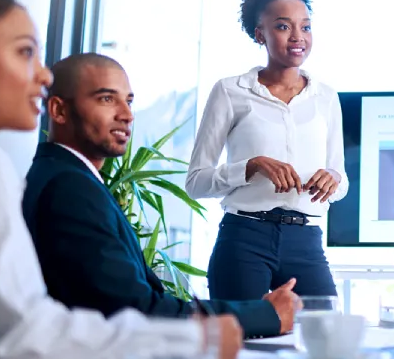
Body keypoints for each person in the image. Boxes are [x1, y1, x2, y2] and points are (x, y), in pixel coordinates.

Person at [0, 0, 242, 359]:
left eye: (129, 100)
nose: (44, 75)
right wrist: (198, 339)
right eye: (25, 52)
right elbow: (20, 331)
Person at [21, 52, 299, 339]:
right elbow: (134, 312)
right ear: (58, 111)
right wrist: (263, 315)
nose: (126, 115)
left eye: (128, 101)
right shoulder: (68, 187)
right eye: (106, 99)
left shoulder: (64, 176)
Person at [186, 0, 347, 300]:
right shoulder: (230, 92)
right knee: (240, 343)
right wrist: (252, 166)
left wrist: (333, 179)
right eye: (283, 26)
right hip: (244, 238)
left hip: (306, 241)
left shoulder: (326, 98)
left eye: (306, 26)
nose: (297, 36)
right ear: (260, 34)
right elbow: (196, 182)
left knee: (326, 336)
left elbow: (341, 181)